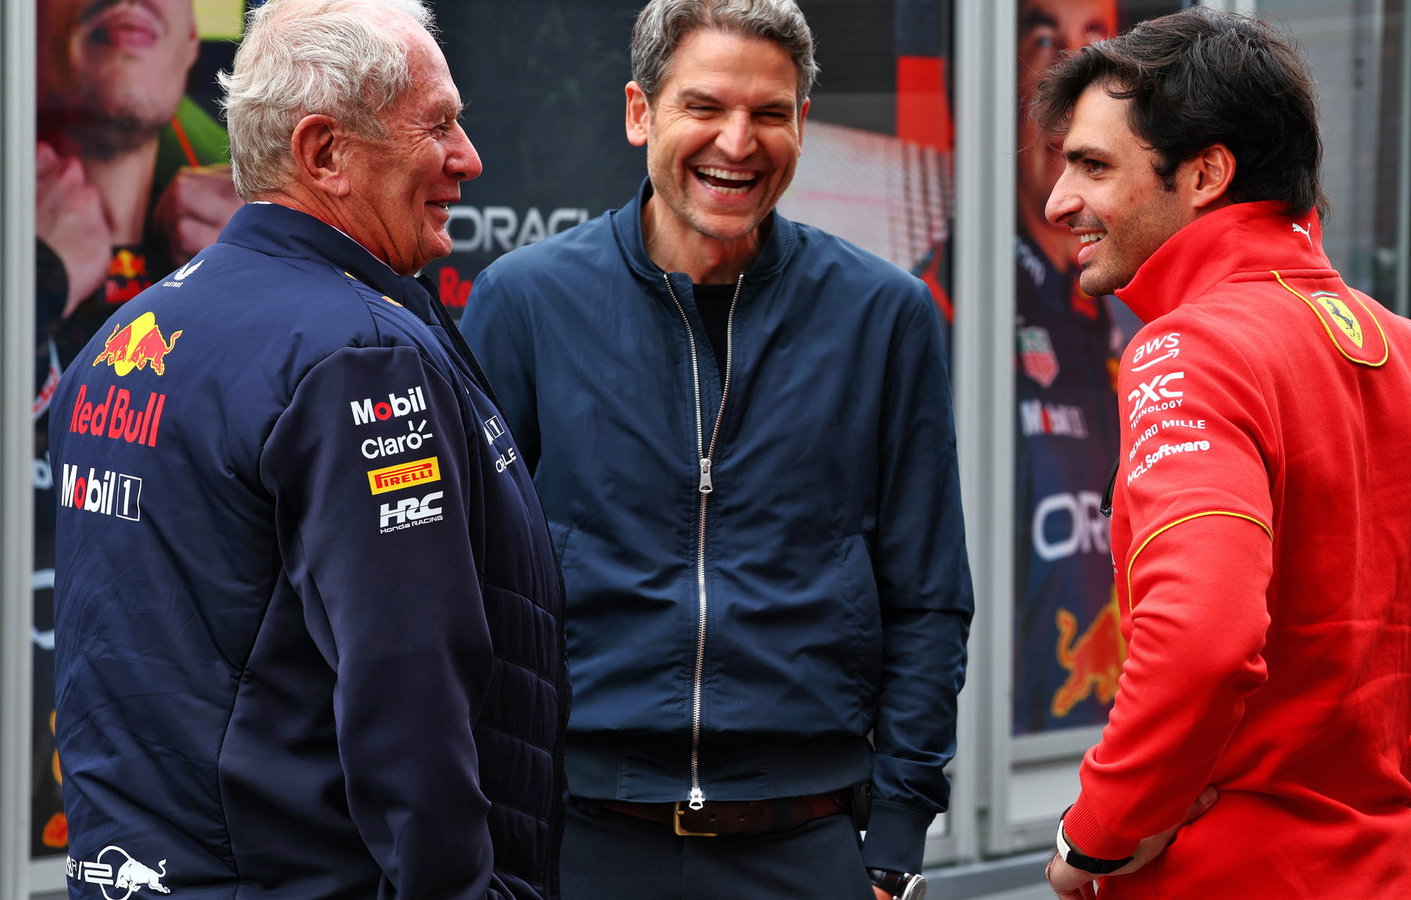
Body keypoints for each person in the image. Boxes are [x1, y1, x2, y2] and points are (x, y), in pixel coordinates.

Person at [1029, 9, 1411, 898]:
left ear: (1207, 173)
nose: (1062, 199)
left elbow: (1205, 642)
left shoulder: (1190, 349)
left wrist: (1097, 831)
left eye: (1094, 165)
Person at [50, 1, 567, 897]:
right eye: (437, 124)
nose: (468, 158)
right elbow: (409, 684)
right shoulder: (359, 356)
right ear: (324, 153)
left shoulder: (126, 335)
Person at [460, 1, 974, 898]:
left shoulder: (884, 317)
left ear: (803, 126)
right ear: (638, 112)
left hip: (807, 840)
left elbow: (928, 595)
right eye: (704, 106)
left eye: (770, 113)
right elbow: (468, 582)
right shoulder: (525, 303)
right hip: (576, 834)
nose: (737, 142)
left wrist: (895, 835)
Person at [32, 0, 241, 851]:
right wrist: (38, 277)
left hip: (197, 810)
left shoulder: (266, 222)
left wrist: (288, 267)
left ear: (195, 37)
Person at [1011, 0, 1125, 736]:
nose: (1066, 65)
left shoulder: (1147, 313)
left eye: (1093, 39)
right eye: (1043, 35)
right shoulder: (945, 303)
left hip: (1124, 745)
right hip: (1003, 752)